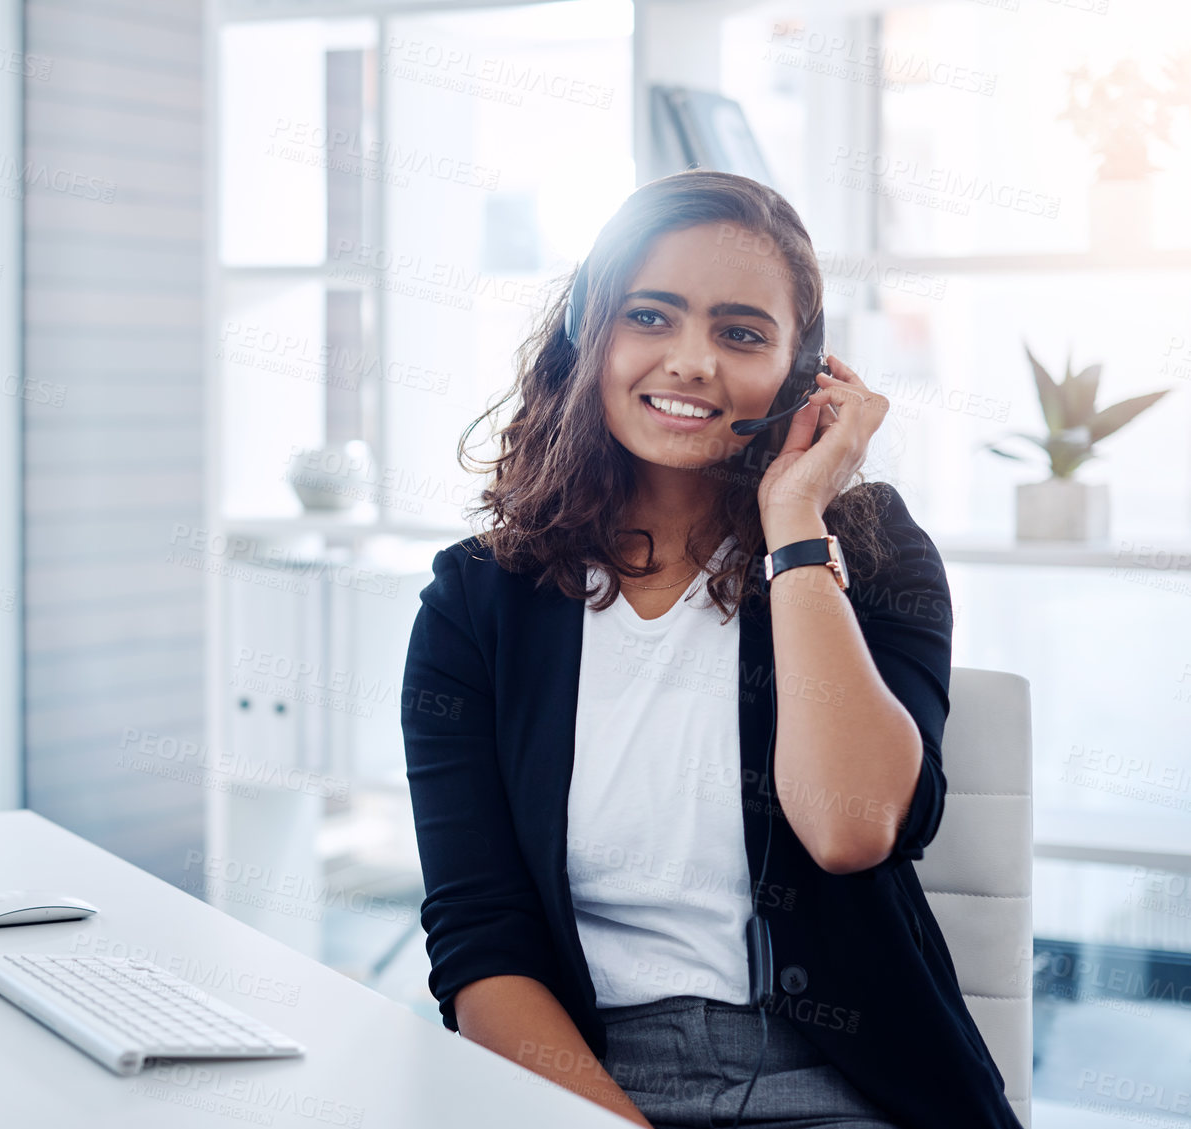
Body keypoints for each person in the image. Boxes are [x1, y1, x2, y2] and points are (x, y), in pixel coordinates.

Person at [400, 169, 1023, 1129]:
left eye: (741, 332)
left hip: (836, 1081)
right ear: (587, 332)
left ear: (800, 370)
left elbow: (850, 827)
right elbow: (484, 949)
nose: (692, 362)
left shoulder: (870, 550)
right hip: (577, 1080)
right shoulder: (479, 600)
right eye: (649, 316)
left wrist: (794, 526)